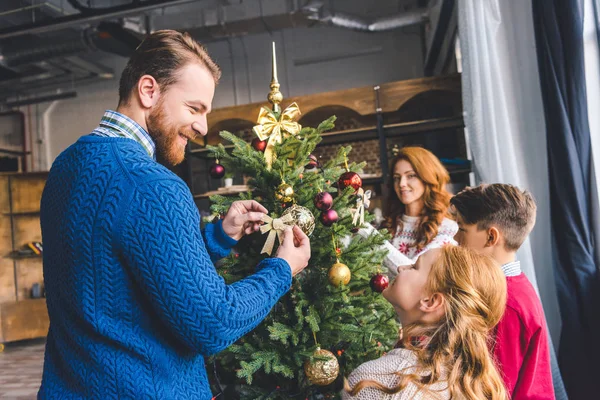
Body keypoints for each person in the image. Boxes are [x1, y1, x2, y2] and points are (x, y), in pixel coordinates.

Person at [38, 30, 311, 399]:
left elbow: (117, 276)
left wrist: (218, 238)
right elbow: (213, 323)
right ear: (148, 90)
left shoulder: (65, 166)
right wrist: (282, 269)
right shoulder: (153, 185)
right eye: (194, 108)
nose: (202, 127)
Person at [343, 246, 508, 400]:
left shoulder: (378, 380)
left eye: (414, 267)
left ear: (431, 302)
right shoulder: (461, 384)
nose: (401, 268)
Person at [451, 184, 554, 399]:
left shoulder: (506, 304)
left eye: (462, 229)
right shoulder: (511, 288)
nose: (455, 239)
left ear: (491, 237)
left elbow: (494, 388)